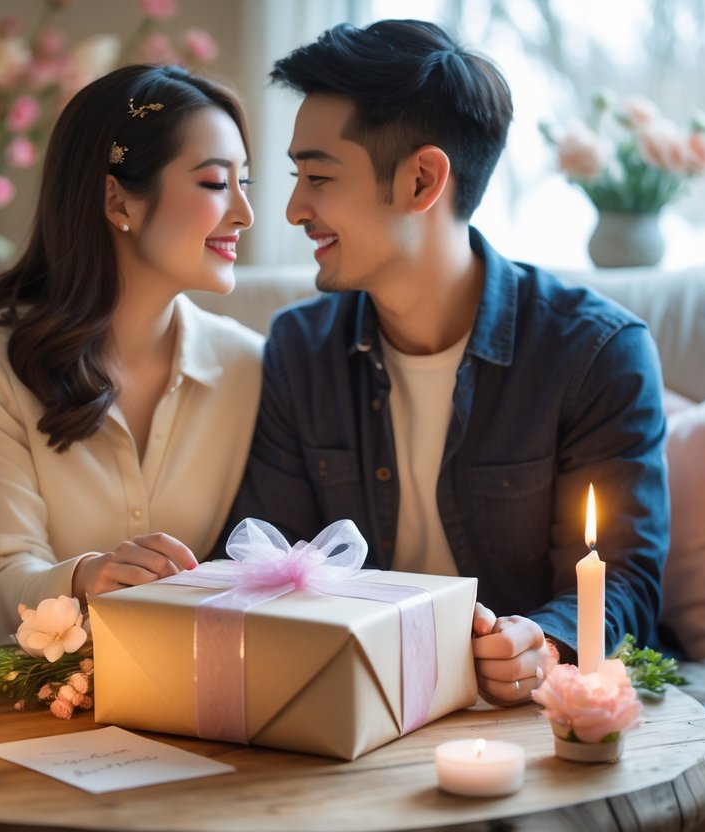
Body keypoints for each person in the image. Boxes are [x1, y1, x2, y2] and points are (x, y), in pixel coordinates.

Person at [220, 20, 669, 706]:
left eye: (316, 175)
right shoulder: (298, 351)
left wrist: (541, 645)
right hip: (356, 705)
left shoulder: (595, 354)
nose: (291, 208)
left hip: (523, 714)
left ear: (422, 178)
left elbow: (624, 584)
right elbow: (268, 565)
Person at [0, 64, 260, 647]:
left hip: (139, 694)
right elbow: (2, 567)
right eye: (213, 183)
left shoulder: (249, 366)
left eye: (245, 183)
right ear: (116, 198)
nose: (243, 214)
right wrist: (85, 579)